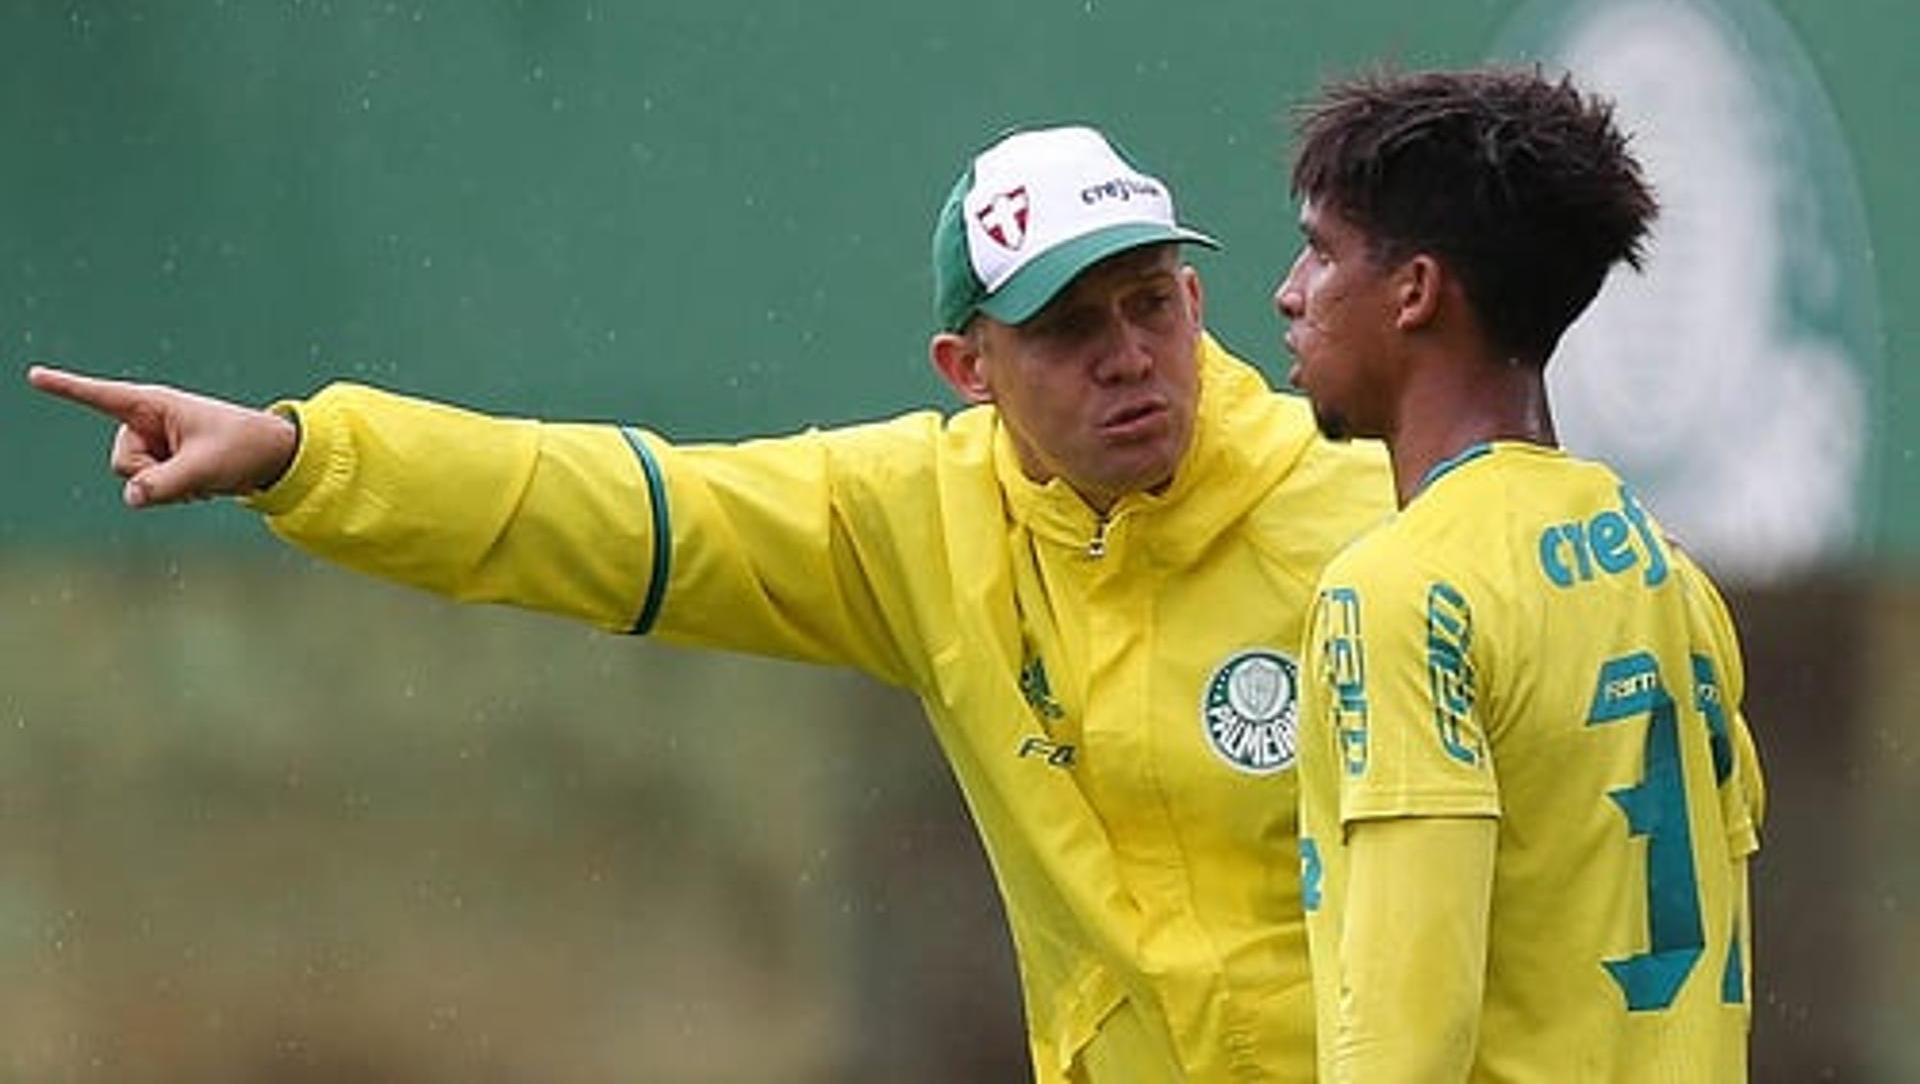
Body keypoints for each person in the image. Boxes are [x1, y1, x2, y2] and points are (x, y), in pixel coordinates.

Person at [29, 124, 1394, 1081]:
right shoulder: (920, 519)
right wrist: (300, 454)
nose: (1128, 358)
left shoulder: (1363, 506)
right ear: (966, 368)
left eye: (1149, 305)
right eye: (1065, 329)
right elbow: (603, 510)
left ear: (1198, 297)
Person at [1276, 66, 1767, 1081]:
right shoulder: (1668, 579)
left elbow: (1405, 1045)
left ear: (1413, 292)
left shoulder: (1398, 593)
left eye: (1322, 253)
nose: (1290, 291)